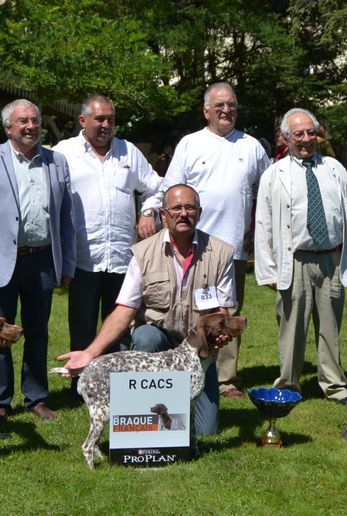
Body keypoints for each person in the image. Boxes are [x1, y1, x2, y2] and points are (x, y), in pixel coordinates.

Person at [58, 184, 236, 435]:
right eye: (176, 208)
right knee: (144, 336)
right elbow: (124, 310)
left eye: (190, 207)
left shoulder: (221, 253)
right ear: (163, 215)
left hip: (197, 349)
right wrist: (91, 353)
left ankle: (176, 413)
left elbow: (223, 311)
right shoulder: (143, 254)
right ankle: (143, 414)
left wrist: (221, 334)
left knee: (206, 431)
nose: (183, 213)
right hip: (158, 343)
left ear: (200, 212)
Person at [138, 82, 270, 399]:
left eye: (232, 105)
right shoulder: (190, 144)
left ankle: (225, 378)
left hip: (234, 248)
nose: (227, 110)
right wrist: (149, 211)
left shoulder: (252, 146)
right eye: (220, 105)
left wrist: (261, 230)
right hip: (193, 248)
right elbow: (170, 188)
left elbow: (268, 189)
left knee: (226, 310)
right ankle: (184, 367)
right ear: (206, 111)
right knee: (192, 310)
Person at [254, 107, 347, 408]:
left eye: (310, 132)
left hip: (331, 259)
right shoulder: (273, 174)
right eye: (298, 134)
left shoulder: (335, 168)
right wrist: (268, 271)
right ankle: (289, 384)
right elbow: (263, 223)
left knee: (330, 326)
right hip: (295, 261)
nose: (306, 139)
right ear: (286, 138)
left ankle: (334, 384)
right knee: (291, 328)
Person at [53, 95, 162, 397]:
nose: (105, 125)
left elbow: (156, 186)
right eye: (100, 119)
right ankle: (83, 385)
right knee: (83, 326)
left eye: (111, 119)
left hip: (121, 257)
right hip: (84, 257)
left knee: (119, 327)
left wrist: (148, 211)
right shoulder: (65, 153)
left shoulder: (128, 151)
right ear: (83, 121)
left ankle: (118, 387)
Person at [0, 99, 75, 424]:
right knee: (1, 331)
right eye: (23, 121)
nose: (31, 126)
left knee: (38, 331)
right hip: (3, 260)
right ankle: (1, 400)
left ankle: (37, 398)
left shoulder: (56, 162)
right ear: (8, 127)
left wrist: (67, 264)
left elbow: (67, 218)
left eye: (35, 120)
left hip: (43, 259)